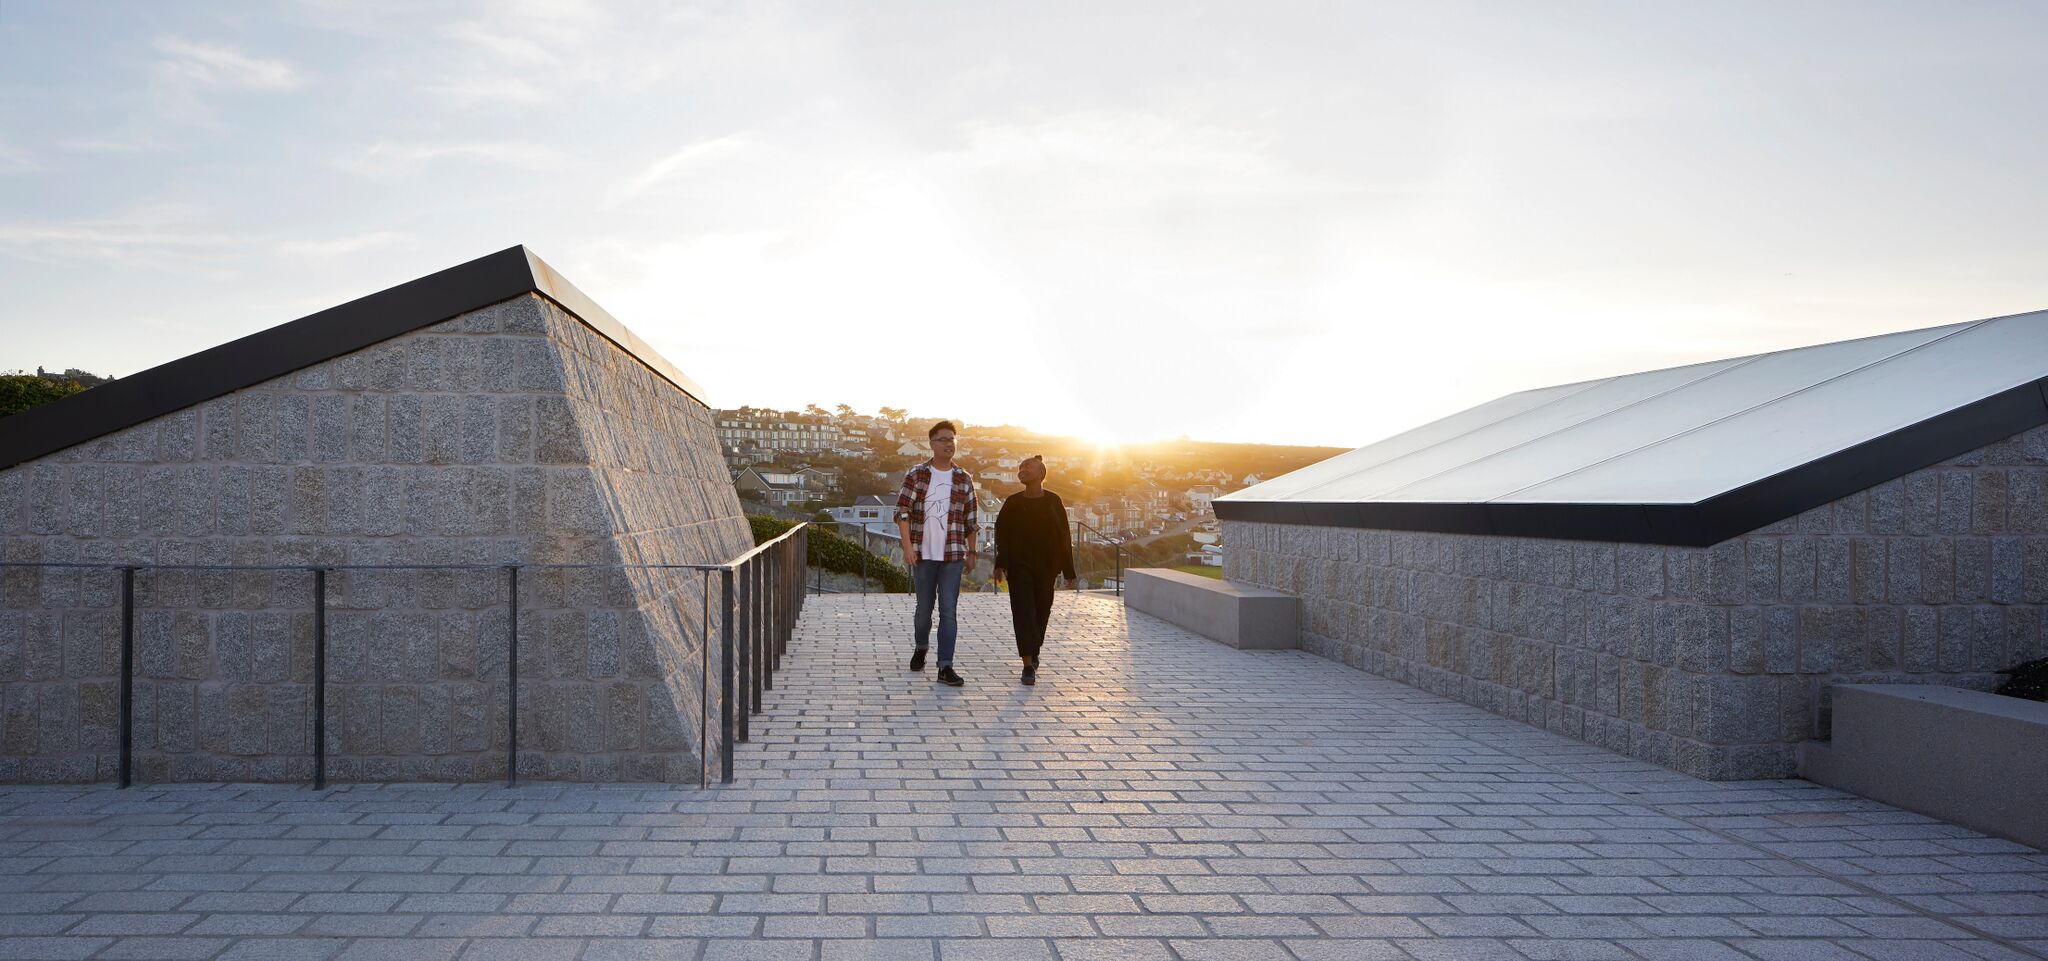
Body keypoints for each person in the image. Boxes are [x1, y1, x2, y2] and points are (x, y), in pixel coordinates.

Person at [894, 420, 978, 686]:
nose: (948, 444)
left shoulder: (964, 479)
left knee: (949, 611)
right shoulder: (917, 475)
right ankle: (921, 646)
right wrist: (908, 548)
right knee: (923, 611)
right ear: (931, 444)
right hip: (923, 555)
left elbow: (971, 520)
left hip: (953, 556)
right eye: (942, 439)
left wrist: (972, 552)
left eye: (952, 439)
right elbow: (902, 512)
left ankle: (945, 667)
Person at [992, 455, 1074, 686]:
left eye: (1028, 466)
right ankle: (1027, 665)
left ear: (1041, 473)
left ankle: (1034, 647)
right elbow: (1002, 534)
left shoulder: (1053, 501)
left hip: (1046, 568)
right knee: (1023, 611)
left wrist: (1069, 571)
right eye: (1020, 466)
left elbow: (1063, 536)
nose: (1022, 469)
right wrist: (1000, 563)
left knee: (1041, 611)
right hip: (1019, 568)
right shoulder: (1012, 503)